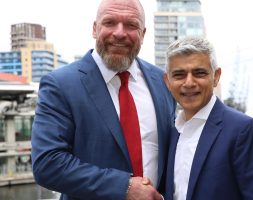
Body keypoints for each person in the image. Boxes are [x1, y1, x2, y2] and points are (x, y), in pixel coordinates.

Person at [31, 0, 176, 199]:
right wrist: (124, 187)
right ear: (94, 29)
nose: (119, 33)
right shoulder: (61, 85)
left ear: (143, 34)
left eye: (131, 25)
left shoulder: (163, 82)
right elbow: (48, 164)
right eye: (109, 23)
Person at [163, 37, 253, 200]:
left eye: (199, 73)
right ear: (167, 81)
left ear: (216, 76)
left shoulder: (244, 130)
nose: (189, 82)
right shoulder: (171, 132)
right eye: (179, 75)